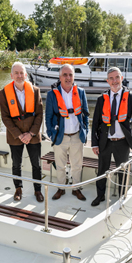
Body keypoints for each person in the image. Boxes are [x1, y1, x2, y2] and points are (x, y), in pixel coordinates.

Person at [91, 67, 132, 206]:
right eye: (111, 78)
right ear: (107, 81)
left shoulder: (131, 97)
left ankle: (122, 198)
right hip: (105, 141)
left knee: (123, 171)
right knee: (102, 171)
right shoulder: (101, 99)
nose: (114, 80)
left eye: (117, 77)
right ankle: (100, 196)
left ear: (121, 78)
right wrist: (94, 143)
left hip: (122, 142)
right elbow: (95, 123)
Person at [0, 61, 44, 202]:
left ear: (25, 74)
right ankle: (18, 189)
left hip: (33, 135)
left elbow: (39, 114)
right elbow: (5, 117)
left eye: (21, 73)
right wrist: (19, 134)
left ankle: (38, 190)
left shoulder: (35, 91)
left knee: (36, 164)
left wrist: (30, 134)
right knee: (16, 164)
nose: (19, 75)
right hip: (15, 136)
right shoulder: (4, 93)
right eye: (16, 73)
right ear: (12, 75)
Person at [45, 64, 89, 201]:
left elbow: (86, 115)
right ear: (60, 77)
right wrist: (51, 134)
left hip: (76, 136)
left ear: (74, 77)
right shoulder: (52, 95)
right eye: (65, 75)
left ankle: (76, 189)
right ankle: (61, 188)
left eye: (70, 75)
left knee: (77, 165)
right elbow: (48, 117)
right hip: (60, 137)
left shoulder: (81, 92)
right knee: (60, 166)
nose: (68, 77)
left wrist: (85, 131)